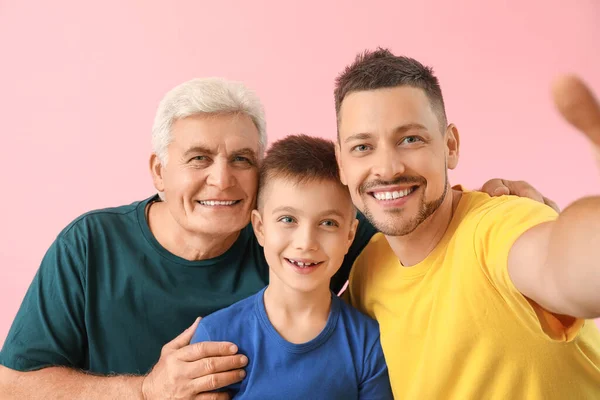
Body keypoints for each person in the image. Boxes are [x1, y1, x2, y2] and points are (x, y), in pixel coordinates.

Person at [0, 76, 554, 399]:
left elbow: (402, 223)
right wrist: (143, 391)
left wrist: (489, 199)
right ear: (158, 170)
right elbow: (12, 384)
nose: (223, 179)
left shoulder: (296, 242)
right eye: (199, 159)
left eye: (242, 159)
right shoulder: (89, 246)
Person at [336, 48, 600, 399]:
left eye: (410, 139)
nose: (387, 168)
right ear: (341, 164)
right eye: (362, 147)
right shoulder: (367, 269)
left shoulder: (498, 226)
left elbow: (567, 267)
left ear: (450, 145)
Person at [190, 135, 393, 399]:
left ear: (350, 236)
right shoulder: (216, 336)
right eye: (288, 219)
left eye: (328, 223)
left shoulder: (368, 343)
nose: (306, 243)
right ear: (260, 228)